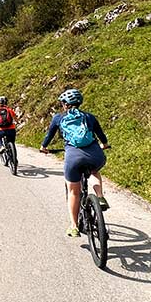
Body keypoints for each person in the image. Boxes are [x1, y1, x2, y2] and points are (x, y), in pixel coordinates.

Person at [39, 88, 110, 237]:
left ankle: (74, 226)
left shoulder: (58, 118)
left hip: (73, 157)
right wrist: (104, 144)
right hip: (95, 155)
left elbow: (49, 135)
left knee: (74, 192)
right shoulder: (89, 117)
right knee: (94, 171)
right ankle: (100, 196)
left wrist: (44, 147)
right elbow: (101, 135)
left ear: (65, 104)